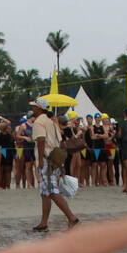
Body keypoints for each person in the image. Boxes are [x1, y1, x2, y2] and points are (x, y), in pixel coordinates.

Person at [28, 98, 79, 231]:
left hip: (46, 159)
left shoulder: (39, 121)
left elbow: (40, 140)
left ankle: (72, 218)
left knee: (51, 191)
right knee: (45, 193)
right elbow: (60, 140)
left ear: (39, 108)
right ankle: (44, 222)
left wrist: (39, 161)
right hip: (55, 158)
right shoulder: (51, 122)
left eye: (35, 107)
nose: (33, 109)